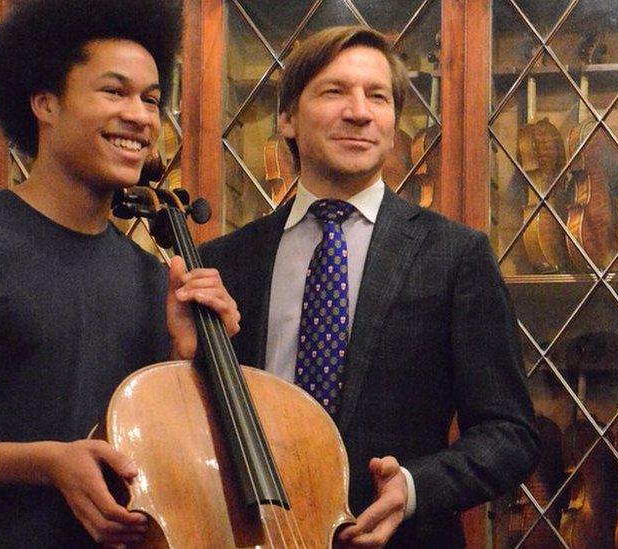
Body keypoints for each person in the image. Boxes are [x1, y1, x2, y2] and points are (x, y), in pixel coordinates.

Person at [0, 1, 240, 547]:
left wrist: (186, 356)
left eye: (152, 99)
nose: (141, 115)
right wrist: (45, 462)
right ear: (45, 104)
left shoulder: (150, 279)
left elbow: (158, 459)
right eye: (114, 91)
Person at [200, 26, 539, 548]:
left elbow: (509, 434)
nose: (359, 112)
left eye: (377, 96)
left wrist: (413, 486)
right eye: (334, 91)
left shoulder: (455, 255)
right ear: (287, 118)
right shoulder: (226, 262)